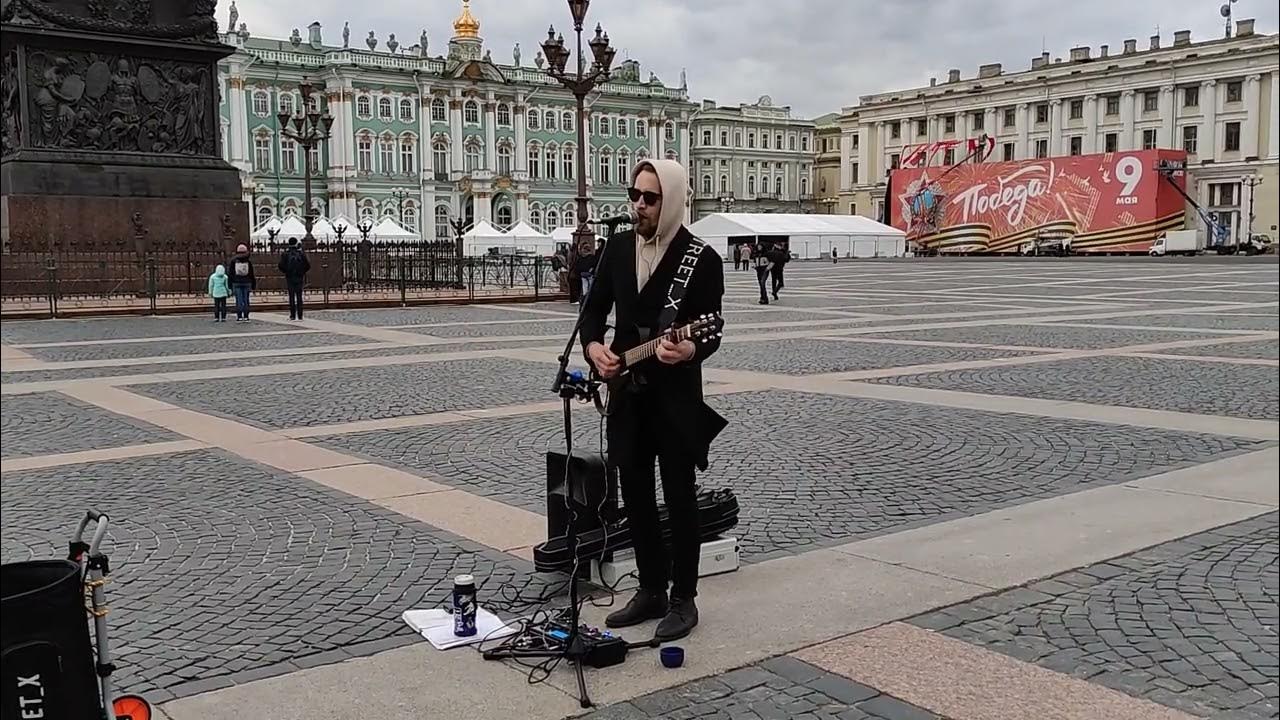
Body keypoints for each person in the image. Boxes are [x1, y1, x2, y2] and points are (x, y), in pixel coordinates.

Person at [581, 158, 725, 642]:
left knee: (680, 498)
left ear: (673, 201)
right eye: (634, 195)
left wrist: (690, 347)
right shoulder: (617, 249)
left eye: (650, 198)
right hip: (627, 394)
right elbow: (593, 311)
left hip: (674, 398)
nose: (638, 205)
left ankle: (684, 598)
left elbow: (712, 329)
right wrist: (593, 348)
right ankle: (650, 589)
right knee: (637, 498)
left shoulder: (701, 259)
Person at [277, 237, 311, 320]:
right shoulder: (301, 253)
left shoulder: (286, 254)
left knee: (291, 296)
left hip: (290, 277)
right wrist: (302, 272)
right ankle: (300, 315)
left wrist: (287, 272)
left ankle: (292, 315)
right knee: (299, 296)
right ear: (296, 243)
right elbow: (308, 265)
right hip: (299, 277)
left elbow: (280, 266)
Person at [227, 243, 256, 321]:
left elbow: (231, 273)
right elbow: (251, 273)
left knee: (238, 299)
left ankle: (239, 315)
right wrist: (253, 284)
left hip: (236, 282)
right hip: (247, 282)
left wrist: (229, 284)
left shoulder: (234, 261)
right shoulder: (248, 260)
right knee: (246, 299)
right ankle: (246, 315)